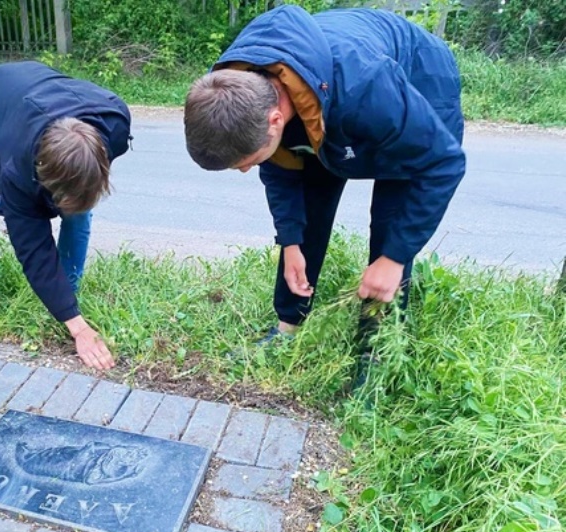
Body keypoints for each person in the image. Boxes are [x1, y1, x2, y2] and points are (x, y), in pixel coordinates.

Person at [184, 6, 466, 355]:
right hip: (323, 91)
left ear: (275, 120)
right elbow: (281, 170)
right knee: (308, 208)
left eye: (246, 162)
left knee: (390, 222)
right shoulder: (242, 81)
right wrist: (290, 243)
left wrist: (393, 257)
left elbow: (443, 162)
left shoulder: (365, 84)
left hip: (418, 79)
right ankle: (288, 328)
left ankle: (374, 352)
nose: (244, 171)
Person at [0, 61, 131, 370]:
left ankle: (68, 290)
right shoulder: (17, 167)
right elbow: (34, 249)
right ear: (40, 173)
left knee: (78, 214)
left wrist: (68, 309)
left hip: (36, 94)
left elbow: (81, 182)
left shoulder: (113, 127)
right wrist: (79, 329)